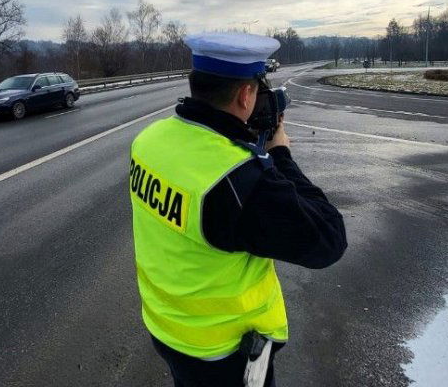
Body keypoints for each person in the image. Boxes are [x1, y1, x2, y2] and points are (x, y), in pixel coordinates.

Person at [129, 32, 346, 386]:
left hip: (165, 329)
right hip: (225, 355)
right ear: (246, 95)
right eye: (258, 90)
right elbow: (329, 239)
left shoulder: (148, 141)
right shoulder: (240, 180)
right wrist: (280, 155)